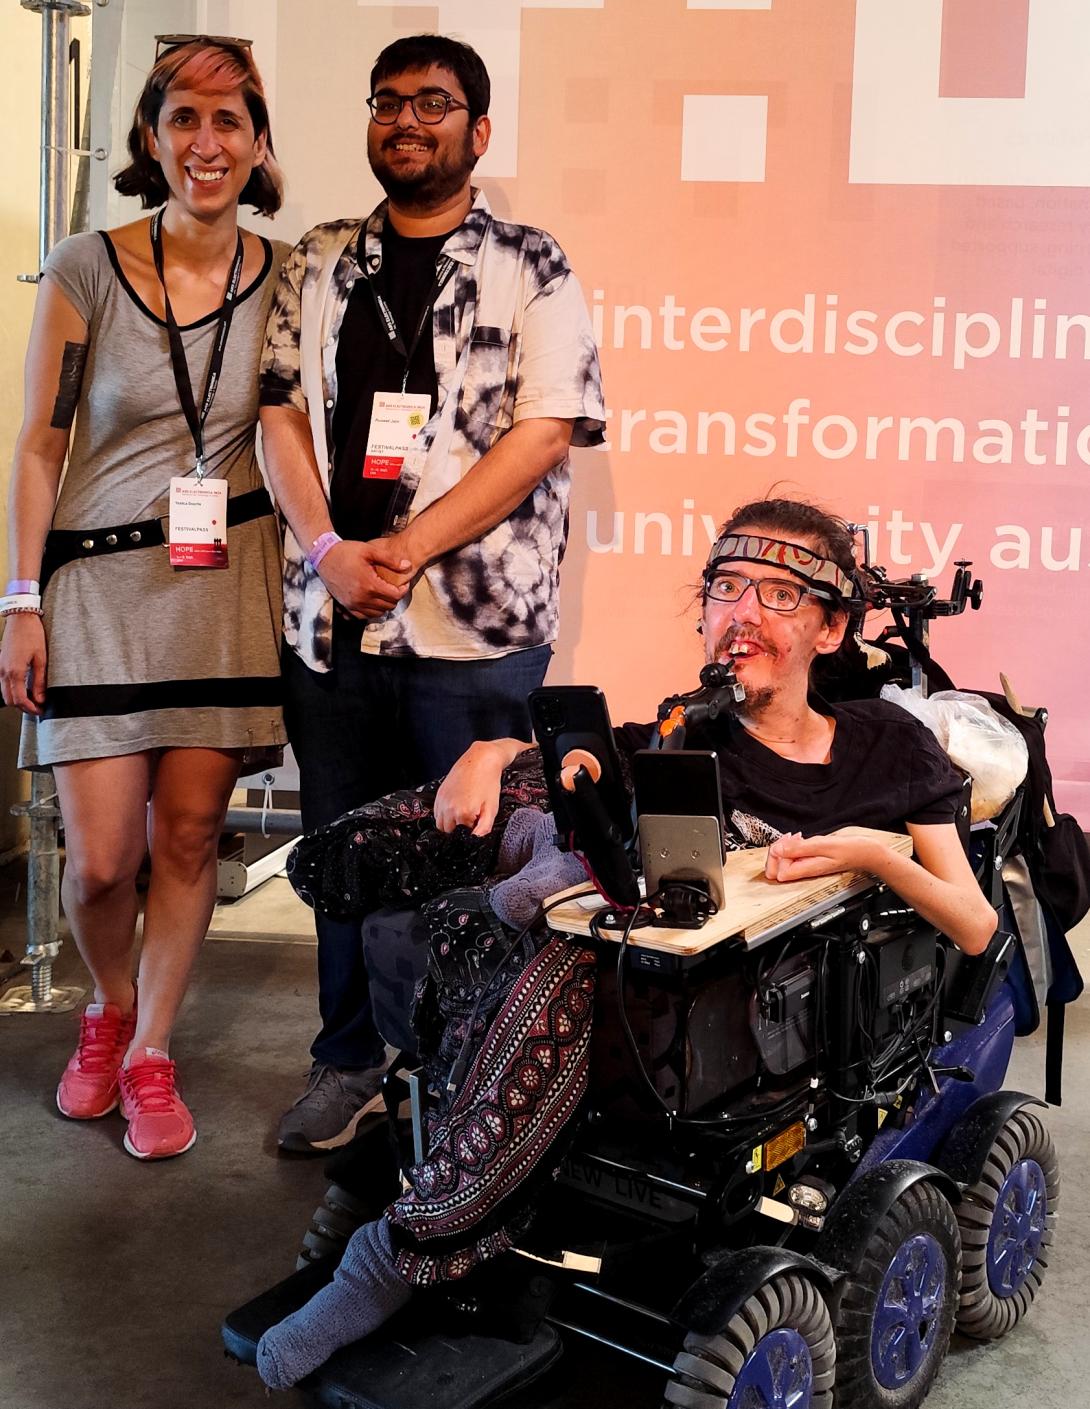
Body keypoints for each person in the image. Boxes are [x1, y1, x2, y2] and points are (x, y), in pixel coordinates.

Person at [252, 496, 997, 1388]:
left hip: (736, 1009)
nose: (742, 612)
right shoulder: (690, 731)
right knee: (547, 813)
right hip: (634, 929)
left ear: (831, 629)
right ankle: (489, 867)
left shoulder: (887, 745)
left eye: (777, 594)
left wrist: (878, 851)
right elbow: (586, 774)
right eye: (726, 588)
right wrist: (492, 751)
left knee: (563, 945)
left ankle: (400, 1251)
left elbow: (975, 920)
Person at [259, 32, 605, 1152]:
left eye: (434, 104)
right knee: (343, 845)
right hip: (334, 614)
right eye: (388, 103)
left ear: (478, 129)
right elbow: (275, 417)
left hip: (475, 622)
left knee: (474, 853)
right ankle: (348, 1058)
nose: (406, 122)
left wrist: (401, 549)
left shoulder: (529, 261)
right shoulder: (317, 258)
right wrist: (329, 553)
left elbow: (545, 430)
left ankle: (467, 1081)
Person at [0, 37, 288, 1161]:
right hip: (98, 593)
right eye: (183, 118)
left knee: (189, 838)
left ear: (259, 142)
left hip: (221, 596)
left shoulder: (288, 275)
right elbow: (38, 443)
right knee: (102, 855)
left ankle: (154, 1048)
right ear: (151, 138)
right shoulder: (85, 265)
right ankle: (107, 1005)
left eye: (228, 121)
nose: (204, 143)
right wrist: (18, 597)